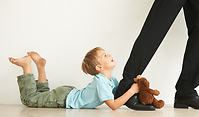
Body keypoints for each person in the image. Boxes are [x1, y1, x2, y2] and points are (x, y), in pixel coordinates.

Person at [8, 47, 148, 110]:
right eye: (105, 55)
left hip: (68, 94)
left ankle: (40, 66)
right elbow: (113, 105)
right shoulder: (101, 82)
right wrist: (132, 91)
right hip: (65, 98)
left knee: (41, 95)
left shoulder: (111, 81)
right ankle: (27, 66)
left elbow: (118, 96)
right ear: (99, 68)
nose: (110, 55)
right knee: (30, 99)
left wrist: (135, 83)